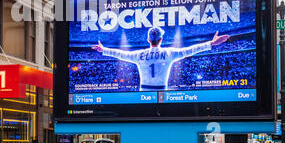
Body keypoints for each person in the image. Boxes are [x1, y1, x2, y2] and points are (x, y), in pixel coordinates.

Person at [91, 27, 230, 91]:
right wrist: (211, 43)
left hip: (143, 92)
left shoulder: (139, 55)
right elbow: (191, 50)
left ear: (148, 39)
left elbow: (121, 54)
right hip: (162, 92)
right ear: (161, 39)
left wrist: (104, 50)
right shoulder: (169, 53)